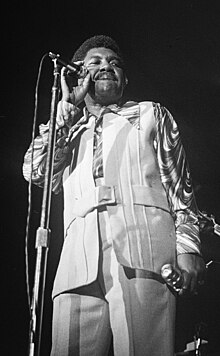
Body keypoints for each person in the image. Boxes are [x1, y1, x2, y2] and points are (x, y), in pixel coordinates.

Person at [23, 35, 206, 356]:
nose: (107, 66)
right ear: (77, 74)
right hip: (77, 262)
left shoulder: (150, 114)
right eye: (95, 63)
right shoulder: (68, 130)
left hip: (143, 252)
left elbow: (180, 188)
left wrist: (188, 248)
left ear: (125, 80)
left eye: (114, 63)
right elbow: (35, 170)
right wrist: (66, 111)